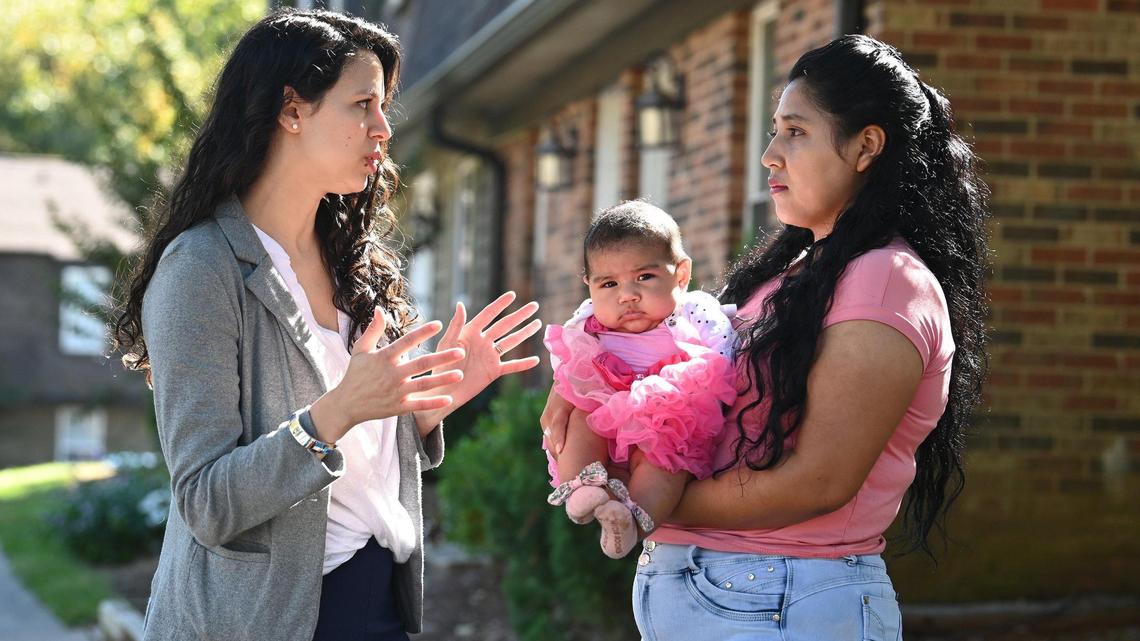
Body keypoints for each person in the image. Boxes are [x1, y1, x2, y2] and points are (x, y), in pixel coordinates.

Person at [541, 34, 988, 640]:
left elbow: (820, 481)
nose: (770, 154)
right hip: (726, 592)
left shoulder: (885, 281)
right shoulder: (796, 271)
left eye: (796, 132)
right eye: (774, 130)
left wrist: (640, 498)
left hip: (782, 596)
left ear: (866, 146)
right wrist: (583, 390)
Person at [112, 9, 540, 641]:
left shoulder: (354, 265)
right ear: (292, 110)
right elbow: (206, 500)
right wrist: (335, 414)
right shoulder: (200, 269)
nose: (383, 127)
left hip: (379, 600)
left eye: (384, 105)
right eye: (362, 103)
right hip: (264, 617)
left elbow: (361, 458)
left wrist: (417, 409)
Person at [542, 201, 737, 559]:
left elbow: (724, 358)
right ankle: (585, 488)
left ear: (680, 276)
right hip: (606, 407)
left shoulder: (695, 310)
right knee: (580, 419)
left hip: (666, 412)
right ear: (589, 287)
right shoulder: (588, 320)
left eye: (644, 278)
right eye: (609, 283)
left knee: (666, 461)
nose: (627, 295)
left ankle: (631, 521)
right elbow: (568, 363)